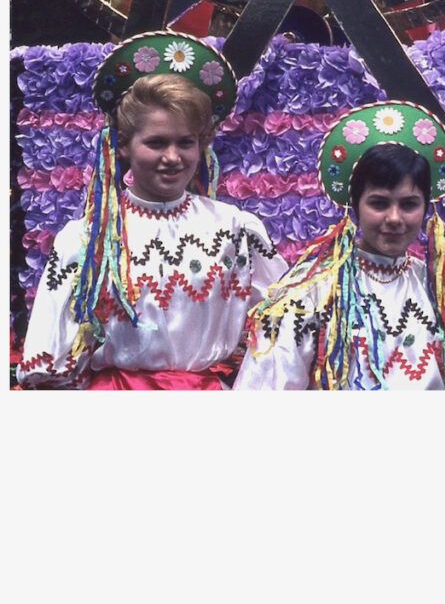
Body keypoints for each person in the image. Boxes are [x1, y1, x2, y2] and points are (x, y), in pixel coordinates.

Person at [17, 31, 286, 390]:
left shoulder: (236, 229)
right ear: (124, 145)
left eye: (185, 142)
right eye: (156, 143)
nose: (173, 158)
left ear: (202, 145)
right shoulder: (85, 240)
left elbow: (278, 324)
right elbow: (50, 360)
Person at [234, 100, 445, 390]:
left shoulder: (438, 290)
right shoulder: (312, 293)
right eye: (379, 203)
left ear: (425, 208)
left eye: (409, 204)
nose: (394, 218)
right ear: (354, 206)